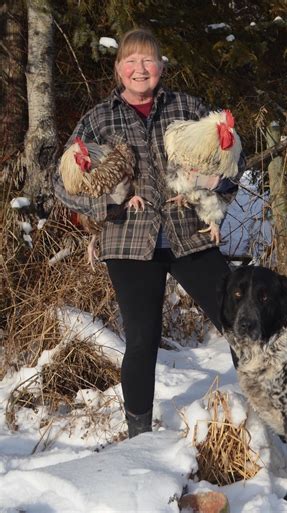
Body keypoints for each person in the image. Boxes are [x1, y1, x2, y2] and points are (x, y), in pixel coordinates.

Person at [54, 28, 243, 438]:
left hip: (188, 233)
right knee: (142, 341)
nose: (140, 69)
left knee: (238, 319)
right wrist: (106, 207)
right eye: (131, 62)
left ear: (161, 66)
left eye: (148, 61)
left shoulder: (187, 107)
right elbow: (61, 182)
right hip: (128, 240)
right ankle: (139, 434)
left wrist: (214, 187)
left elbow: (229, 163)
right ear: (119, 69)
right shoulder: (99, 119)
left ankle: (262, 408)